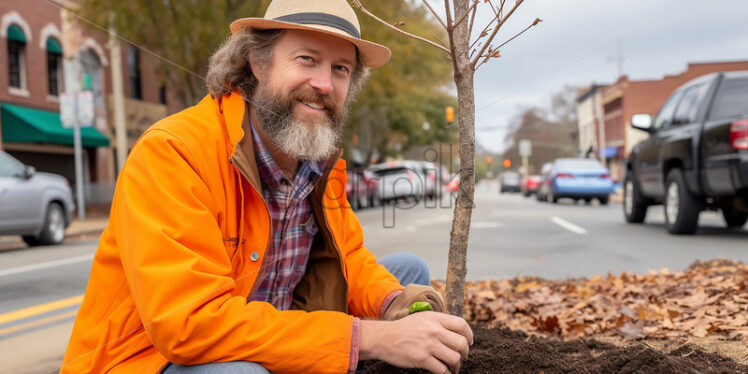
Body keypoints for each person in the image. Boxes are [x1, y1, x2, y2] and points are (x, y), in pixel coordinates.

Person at [61, 0, 473, 373]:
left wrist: (392, 305)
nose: (324, 84)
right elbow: (189, 325)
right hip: (153, 359)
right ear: (258, 62)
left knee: (407, 273)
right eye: (307, 59)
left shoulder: (319, 159)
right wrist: (370, 338)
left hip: (262, 329)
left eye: (340, 69)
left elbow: (349, 256)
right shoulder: (173, 152)